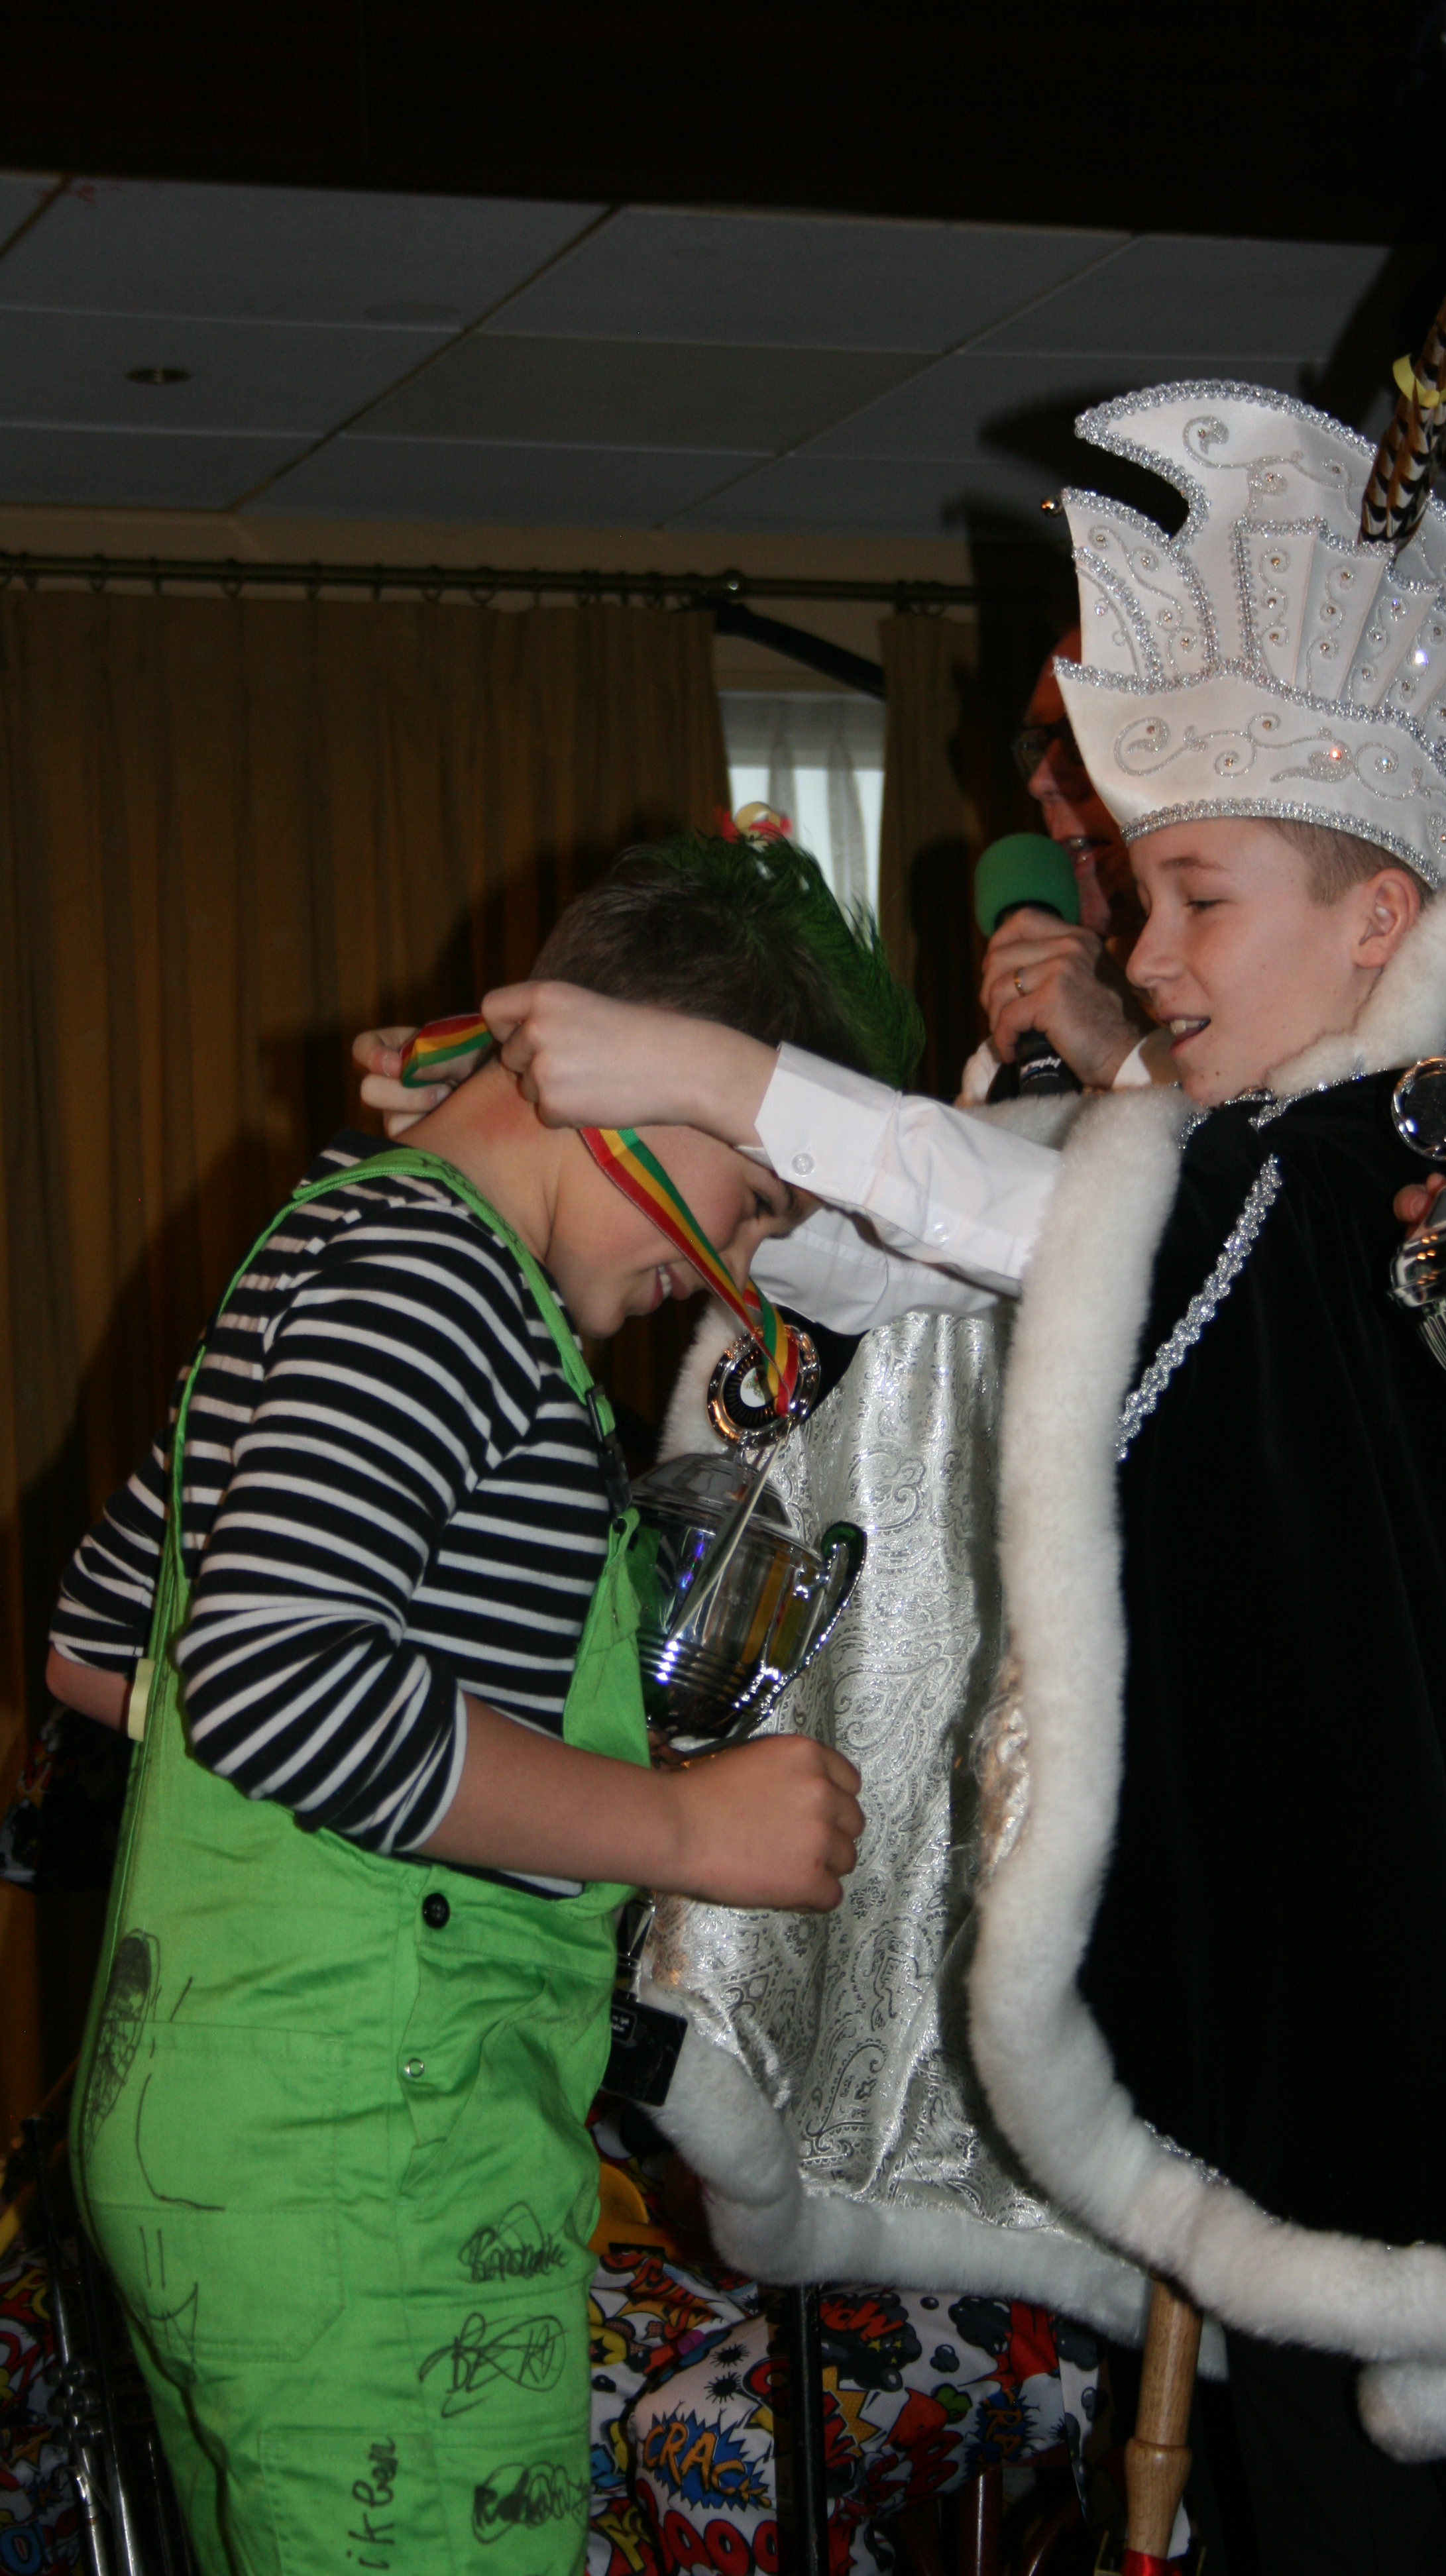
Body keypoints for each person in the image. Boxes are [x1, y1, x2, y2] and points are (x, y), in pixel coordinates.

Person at [413, 382, 1446, 2571]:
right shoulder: (1258, 1183)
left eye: (1197, 892)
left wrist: (725, 1073)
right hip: (1299, 2092)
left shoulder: (1410, 1162)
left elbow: (1074, 1221)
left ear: (1382, 912)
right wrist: (708, 1177)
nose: (1147, 951)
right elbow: (979, 1258)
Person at [47, 832, 910, 2576]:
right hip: (374, 2146)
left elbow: (98, 1639)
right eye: (757, 1206)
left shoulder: (331, 1250)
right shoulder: (447, 1287)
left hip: (228, 2133)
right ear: (625, 1082)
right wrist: (679, 1828)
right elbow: (283, 1680)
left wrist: (468, 1766)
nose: (736, 1273)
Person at [960, 626, 1157, 1104]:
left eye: (1080, 736)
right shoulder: (1000, 1071)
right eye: (1035, 745)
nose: (1040, 783)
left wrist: (1127, 1055)